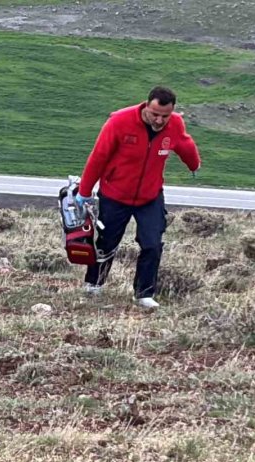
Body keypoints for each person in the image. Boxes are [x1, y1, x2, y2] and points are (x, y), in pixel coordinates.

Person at [76, 86, 201, 309]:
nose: (160, 120)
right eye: (155, 114)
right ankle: (94, 284)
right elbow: (98, 158)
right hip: (115, 194)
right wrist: (84, 192)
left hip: (150, 196)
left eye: (165, 115)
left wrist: (194, 164)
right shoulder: (119, 122)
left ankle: (144, 294)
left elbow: (184, 143)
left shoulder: (175, 123)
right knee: (107, 242)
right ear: (146, 105)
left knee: (152, 244)